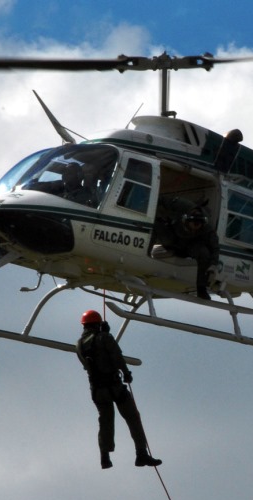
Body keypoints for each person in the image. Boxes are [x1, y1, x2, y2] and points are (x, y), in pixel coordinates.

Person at [76, 310, 162, 470]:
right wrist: (126, 372)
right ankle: (141, 454)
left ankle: (105, 457)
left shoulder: (79, 344)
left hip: (97, 391)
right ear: (97, 324)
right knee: (133, 418)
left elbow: (92, 361)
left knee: (105, 421)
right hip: (115, 387)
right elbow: (116, 356)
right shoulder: (105, 338)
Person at [154, 198, 219, 300]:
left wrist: (213, 264)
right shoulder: (181, 205)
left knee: (204, 253)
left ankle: (201, 288)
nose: (193, 230)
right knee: (156, 225)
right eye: (192, 227)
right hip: (174, 239)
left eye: (197, 229)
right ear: (186, 220)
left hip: (191, 246)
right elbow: (163, 200)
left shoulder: (207, 228)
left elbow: (215, 247)